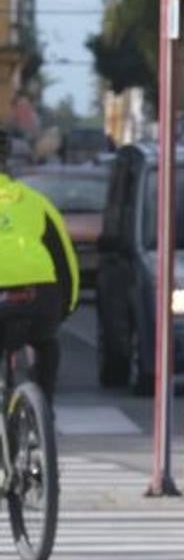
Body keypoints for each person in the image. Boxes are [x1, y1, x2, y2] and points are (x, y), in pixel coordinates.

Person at [0, 129, 79, 402]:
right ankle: (43, 408)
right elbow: (65, 261)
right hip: (38, 297)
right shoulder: (35, 202)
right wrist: (65, 308)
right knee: (46, 343)